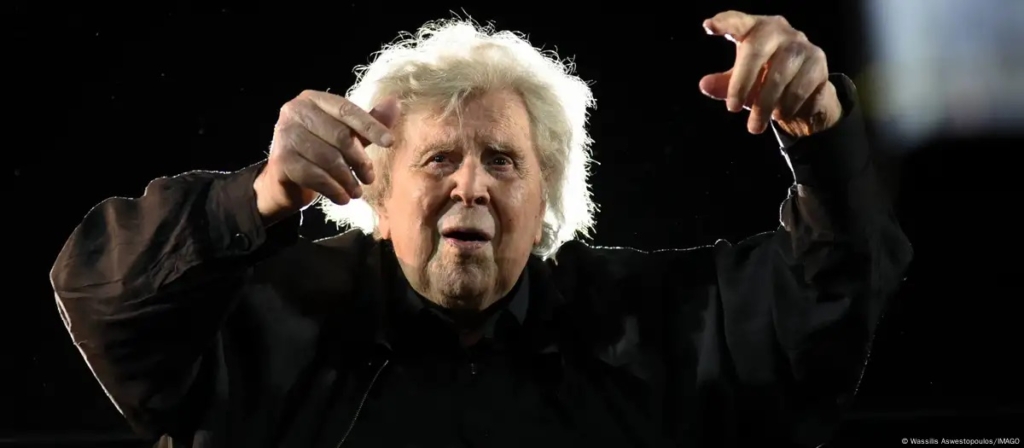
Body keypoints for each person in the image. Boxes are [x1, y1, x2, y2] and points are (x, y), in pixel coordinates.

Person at [50, 11, 912, 448]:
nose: (471, 185)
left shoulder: (651, 328)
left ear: (545, 201)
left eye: (503, 161)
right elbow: (102, 300)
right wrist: (264, 193)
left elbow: (830, 300)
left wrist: (820, 132)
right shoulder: (265, 318)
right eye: (438, 160)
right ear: (376, 192)